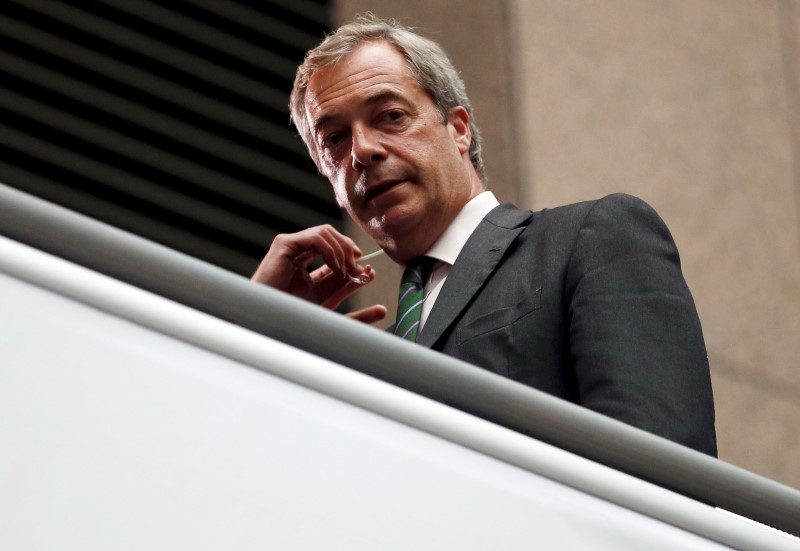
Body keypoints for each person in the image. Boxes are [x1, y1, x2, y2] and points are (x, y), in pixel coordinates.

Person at [252, 15, 717, 456]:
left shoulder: (590, 239)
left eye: (390, 115)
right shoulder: (365, 360)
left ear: (458, 129)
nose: (364, 150)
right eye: (334, 139)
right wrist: (261, 334)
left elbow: (663, 468)